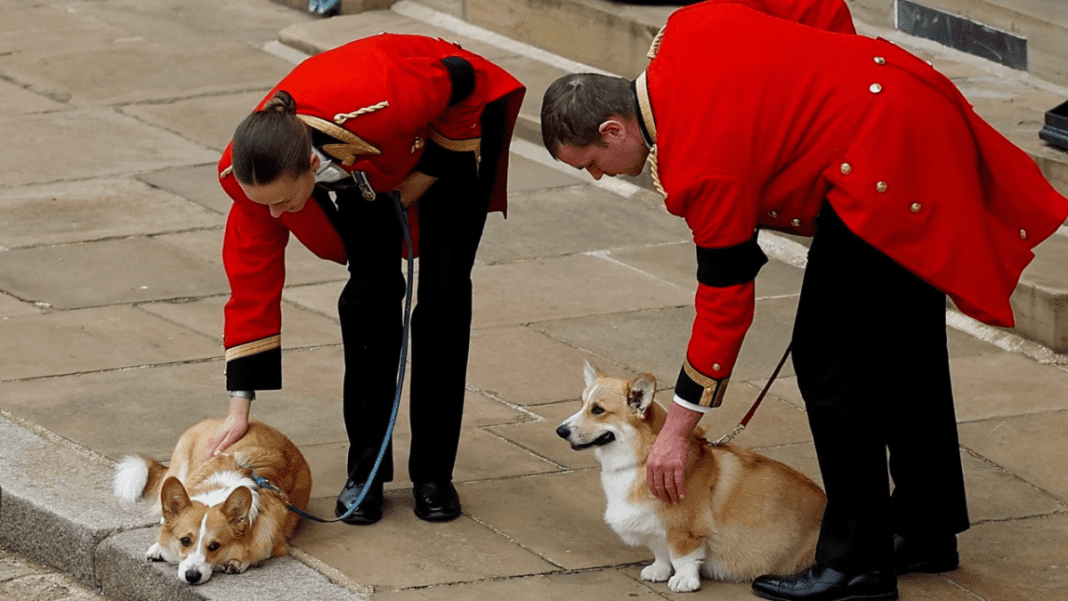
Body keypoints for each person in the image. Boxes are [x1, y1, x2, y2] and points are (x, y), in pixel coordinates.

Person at [539, 1, 1068, 600]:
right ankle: (925, 526)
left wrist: (676, 430)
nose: (599, 178)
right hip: (903, 100)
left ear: (614, 129)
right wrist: (832, 80)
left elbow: (725, 303)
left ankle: (857, 564)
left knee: (830, 364)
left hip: (883, 166)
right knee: (904, 346)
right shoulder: (687, 26)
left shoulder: (698, 164)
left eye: (592, 164)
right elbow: (815, 6)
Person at [208, 33, 525, 525]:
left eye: (282, 201)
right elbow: (251, 285)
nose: (271, 213)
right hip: (366, 169)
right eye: (262, 202)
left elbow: (464, 81)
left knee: (443, 299)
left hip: (448, 136)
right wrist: (239, 407)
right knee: (368, 298)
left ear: (311, 165)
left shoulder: (383, 98)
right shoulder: (254, 173)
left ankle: (434, 476)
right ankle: (366, 473)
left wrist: (430, 171)